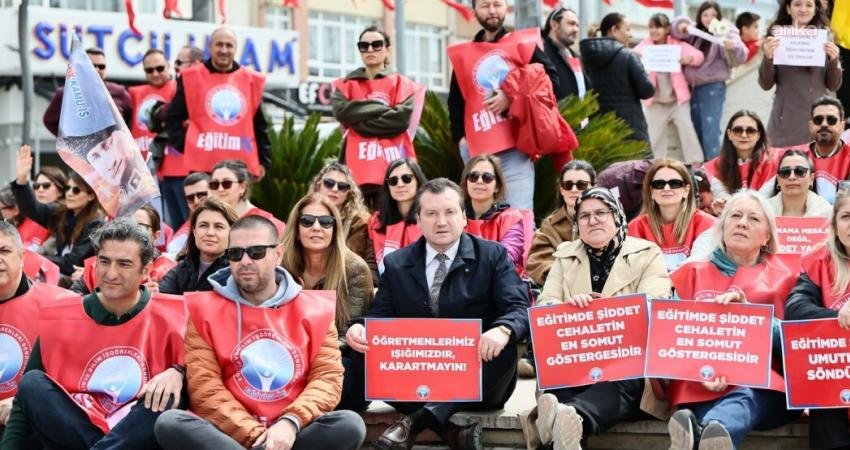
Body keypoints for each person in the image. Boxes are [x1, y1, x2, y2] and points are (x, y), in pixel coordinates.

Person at [153, 215, 367, 450]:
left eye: (256, 252)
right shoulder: (204, 309)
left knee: (350, 425)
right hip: (230, 435)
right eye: (235, 253)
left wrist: (289, 423)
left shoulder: (316, 309)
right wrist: (259, 438)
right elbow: (205, 389)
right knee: (169, 423)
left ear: (278, 254)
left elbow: (327, 379)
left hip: (293, 431)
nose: (244, 261)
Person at [345, 178, 529, 449]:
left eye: (449, 212)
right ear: (418, 220)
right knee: (360, 351)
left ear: (464, 217)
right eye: (431, 213)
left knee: (504, 350)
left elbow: (519, 308)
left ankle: (414, 423)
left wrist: (502, 330)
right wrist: (359, 327)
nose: (441, 221)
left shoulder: (493, 256)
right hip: (419, 373)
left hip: (477, 376)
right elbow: (380, 315)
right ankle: (450, 430)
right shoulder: (397, 264)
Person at [0, 219, 188, 449]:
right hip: (77, 426)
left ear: (146, 270)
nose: (111, 273)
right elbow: (23, 402)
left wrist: (179, 371)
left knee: (168, 393)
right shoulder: (61, 314)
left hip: (136, 430)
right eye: (104, 261)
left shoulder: (177, 314)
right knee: (31, 384)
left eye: (124, 264)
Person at [526, 186, 670, 450]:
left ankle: (567, 417)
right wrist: (569, 309)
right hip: (577, 360)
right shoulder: (564, 256)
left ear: (616, 216)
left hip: (627, 364)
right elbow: (546, 305)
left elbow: (655, 304)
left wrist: (607, 310)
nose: (592, 220)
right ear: (577, 222)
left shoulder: (647, 254)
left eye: (601, 213)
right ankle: (565, 423)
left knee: (624, 380)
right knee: (562, 379)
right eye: (584, 216)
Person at [668, 190, 801, 450]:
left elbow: (798, 343)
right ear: (722, 226)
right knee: (714, 408)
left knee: (746, 395)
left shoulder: (790, 276)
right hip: (702, 387)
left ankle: (703, 433)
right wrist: (698, 370)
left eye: (753, 219)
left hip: (766, 391)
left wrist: (752, 317)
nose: (742, 222)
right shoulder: (692, 274)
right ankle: (709, 435)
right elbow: (668, 338)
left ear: (767, 237)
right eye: (735, 216)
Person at [447, 0, 561, 211]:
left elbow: (551, 81)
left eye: (497, 4)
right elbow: (455, 100)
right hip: (476, 150)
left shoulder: (523, 44)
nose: (492, 10)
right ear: (474, 12)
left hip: (516, 148)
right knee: (481, 219)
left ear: (505, 8)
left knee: (518, 217)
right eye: (485, 5)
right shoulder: (464, 54)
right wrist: (460, 139)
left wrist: (511, 96)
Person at [280, 193, 374, 411]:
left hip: (337, 359)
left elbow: (351, 332)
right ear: (295, 228)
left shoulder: (354, 268)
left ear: (334, 229)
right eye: (307, 221)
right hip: (286, 356)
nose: (316, 227)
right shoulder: (280, 266)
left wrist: (309, 357)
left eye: (325, 222)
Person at [786, 187, 850, 449]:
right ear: (834, 225)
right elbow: (795, 308)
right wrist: (839, 316)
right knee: (823, 388)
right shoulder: (819, 261)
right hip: (833, 379)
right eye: (846, 216)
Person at [165, 27, 271, 179]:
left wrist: (264, 161)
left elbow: (259, 125)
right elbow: (172, 118)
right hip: (202, 171)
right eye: (219, 44)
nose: (224, 50)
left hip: (239, 170)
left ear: (235, 49)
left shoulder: (251, 81)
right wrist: (188, 145)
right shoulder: (191, 77)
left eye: (229, 45)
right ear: (210, 47)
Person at [331, 26, 422, 199]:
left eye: (376, 44)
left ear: (387, 49)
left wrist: (358, 121)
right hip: (355, 162)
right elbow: (341, 112)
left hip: (394, 162)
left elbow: (400, 119)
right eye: (364, 46)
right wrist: (385, 110)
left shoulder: (402, 83)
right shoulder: (346, 84)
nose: (370, 49)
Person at [0, 222, 70, 431]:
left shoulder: (59, 304)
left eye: (4, 250)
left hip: (29, 421)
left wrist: (22, 402)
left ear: (22, 257)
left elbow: (73, 378)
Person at [760, 0, 843, 148]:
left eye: (809, 5)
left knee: (816, 167)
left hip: (817, 119)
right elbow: (765, 84)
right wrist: (767, 58)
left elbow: (834, 85)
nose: (803, 9)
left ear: (815, 9)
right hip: (784, 120)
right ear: (788, 8)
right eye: (797, 4)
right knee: (784, 167)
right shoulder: (777, 38)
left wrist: (834, 60)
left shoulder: (825, 36)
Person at [11, 145, 104, 277]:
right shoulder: (61, 213)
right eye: (67, 188)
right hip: (57, 276)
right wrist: (22, 179)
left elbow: (72, 262)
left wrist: (37, 259)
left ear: (91, 196)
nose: (69, 193)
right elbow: (31, 209)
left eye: (76, 190)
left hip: (78, 284)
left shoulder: (96, 224)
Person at [672, 1, 747, 160]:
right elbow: (675, 29)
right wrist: (681, 25)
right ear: (699, 16)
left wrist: (731, 45)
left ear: (719, 16)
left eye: (713, 15)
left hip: (712, 87)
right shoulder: (694, 32)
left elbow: (742, 53)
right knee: (695, 131)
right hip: (691, 88)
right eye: (705, 14)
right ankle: (702, 171)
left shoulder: (725, 31)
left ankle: (715, 170)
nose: (708, 18)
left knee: (710, 132)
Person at [635, 13, 705, 164]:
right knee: (654, 137)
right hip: (655, 102)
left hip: (677, 101)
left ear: (667, 29)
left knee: (688, 131)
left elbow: (698, 55)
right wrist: (639, 58)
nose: (654, 30)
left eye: (658, 27)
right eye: (651, 27)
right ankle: (654, 166)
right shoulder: (645, 46)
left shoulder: (676, 45)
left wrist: (689, 59)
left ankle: (696, 165)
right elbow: (634, 54)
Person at [759, 96, 850, 204]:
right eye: (818, 120)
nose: (824, 124)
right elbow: (762, 197)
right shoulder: (791, 156)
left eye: (831, 120)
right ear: (810, 126)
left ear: (842, 125)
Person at [628, 159, 716, 271]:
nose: (666, 188)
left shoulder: (708, 225)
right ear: (651, 192)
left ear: (686, 190)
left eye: (675, 183)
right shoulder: (635, 228)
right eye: (659, 184)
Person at [580, 13, 655, 144]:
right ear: (614, 30)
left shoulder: (586, 57)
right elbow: (647, 91)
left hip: (599, 128)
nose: (630, 34)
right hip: (629, 129)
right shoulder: (628, 56)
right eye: (627, 29)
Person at [71, 205, 177, 295]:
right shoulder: (95, 267)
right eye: (126, 224)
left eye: (124, 264)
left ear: (155, 235)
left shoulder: (168, 271)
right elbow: (73, 302)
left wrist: (140, 300)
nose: (111, 275)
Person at [527, 160, 596, 286]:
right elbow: (538, 262)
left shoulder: (609, 219)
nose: (574, 190)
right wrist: (569, 277)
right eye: (568, 185)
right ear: (562, 190)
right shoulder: (550, 226)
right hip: (562, 290)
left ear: (593, 188)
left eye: (581, 185)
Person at [307, 162, 378, 283]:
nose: (335, 189)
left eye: (342, 186)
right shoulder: (303, 215)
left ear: (349, 192)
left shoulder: (361, 222)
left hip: (345, 285)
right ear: (319, 185)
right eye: (329, 183)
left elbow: (368, 267)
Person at [461, 155, 530, 273]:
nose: (479, 181)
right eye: (473, 176)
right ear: (466, 182)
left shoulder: (511, 217)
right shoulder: (455, 217)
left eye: (487, 177)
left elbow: (506, 258)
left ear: (497, 186)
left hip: (501, 284)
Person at [42, 47, 132, 137]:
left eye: (101, 66)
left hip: (113, 149)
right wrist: (69, 141)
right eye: (92, 65)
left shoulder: (120, 92)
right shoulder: (64, 93)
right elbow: (49, 121)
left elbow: (132, 118)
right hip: (82, 150)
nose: (97, 69)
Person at [160, 198, 237, 295]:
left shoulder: (237, 272)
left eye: (219, 227)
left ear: (233, 233)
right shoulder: (181, 269)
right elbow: (162, 301)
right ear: (194, 231)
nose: (210, 233)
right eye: (203, 225)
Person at [706, 110, 777, 211]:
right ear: (729, 134)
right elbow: (722, 198)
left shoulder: (774, 161)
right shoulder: (714, 166)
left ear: (759, 135)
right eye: (738, 130)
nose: (744, 135)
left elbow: (763, 199)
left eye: (751, 131)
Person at [367, 158, 426, 276]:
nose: (400, 184)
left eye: (406, 178)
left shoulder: (431, 217)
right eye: (393, 181)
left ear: (418, 181)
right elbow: (371, 261)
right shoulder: (376, 221)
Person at [208, 159, 285, 236]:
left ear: (242, 187)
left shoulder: (267, 221)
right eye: (215, 184)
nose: (220, 189)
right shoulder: (205, 218)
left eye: (227, 183)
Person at [129, 49, 176, 159]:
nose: (155, 74)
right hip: (141, 163)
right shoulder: (133, 93)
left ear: (168, 66)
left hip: (172, 162)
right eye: (149, 70)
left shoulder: (179, 89)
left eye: (160, 68)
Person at [542, 6, 590, 100]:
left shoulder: (576, 56)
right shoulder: (542, 53)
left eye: (577, 25)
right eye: (571, 24)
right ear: (554, 25)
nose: (576, 29)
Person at [768, 149, 832, 217]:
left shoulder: (827, 213)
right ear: (778, 180)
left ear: (811, 178)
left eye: (800, 171)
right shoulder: (763, 211)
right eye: (785, 172)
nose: (792, 177)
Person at [166, 172, 210, 256]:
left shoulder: (231, 216)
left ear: (213, 192)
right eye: (190, 198)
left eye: (201, 195)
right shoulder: (185, 231)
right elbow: (173, 249)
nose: (196, 201)